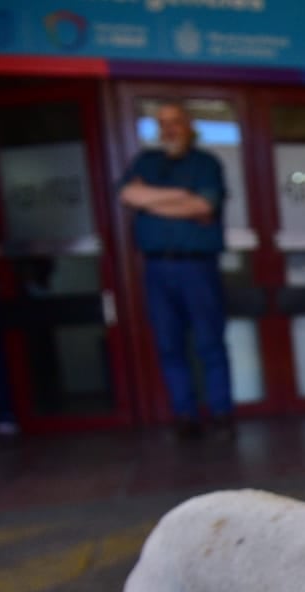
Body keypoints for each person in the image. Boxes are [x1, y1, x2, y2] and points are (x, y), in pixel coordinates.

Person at [119, 102, 234, 440]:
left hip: (198, 267)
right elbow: (128, 194)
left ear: (189, 125)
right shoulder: (146, 161)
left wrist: (151, 201)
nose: (169, 129)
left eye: (175, 122)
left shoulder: (206, 163)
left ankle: (221, 414)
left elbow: (204, 204)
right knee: (168, 344)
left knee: (210, 342)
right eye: (163, 123)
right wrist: (180, 196)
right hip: (157, 267)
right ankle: (184, 415)